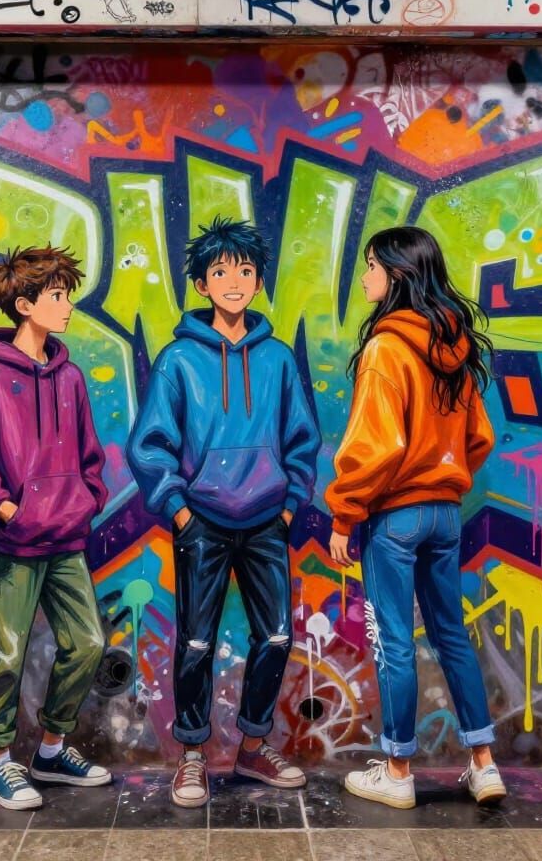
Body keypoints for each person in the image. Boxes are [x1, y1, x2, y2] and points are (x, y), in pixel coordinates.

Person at [126, 216, 321, 809]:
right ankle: (191, 755)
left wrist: (289, 506)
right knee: (196, 643)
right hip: (202, 522)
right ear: (202, 284)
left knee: (277, 634)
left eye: (243, 270)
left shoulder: (280, 360)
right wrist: (179, 510)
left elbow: (302, 439)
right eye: (219, 271)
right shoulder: (178, 360)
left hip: (266, 521)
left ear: (258, 282)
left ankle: (254, 747)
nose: (232, 280)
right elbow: (150, 443)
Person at [326, 226, 506, 809]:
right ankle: (483, 763)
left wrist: (344, 515)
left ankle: (398, 769)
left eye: (371, 265)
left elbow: (374, 448)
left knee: (395, 643)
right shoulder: (454, 345)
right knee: (452, 635)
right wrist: (444, 476)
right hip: (445, 515)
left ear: (397, 273)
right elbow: (480, 436)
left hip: (396, 517)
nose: (365, 277)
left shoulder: (386, 348)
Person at [0, 245, 111, 810]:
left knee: (86, 643)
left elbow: (89, 456)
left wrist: (86, 499)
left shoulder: (71, 377)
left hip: (65, 540)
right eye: (58, 297)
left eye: (67, 296)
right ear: (27, 304)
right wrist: (5, 508)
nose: (67, 307)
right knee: (4, 653)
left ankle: (53, 750)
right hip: (10, 543)